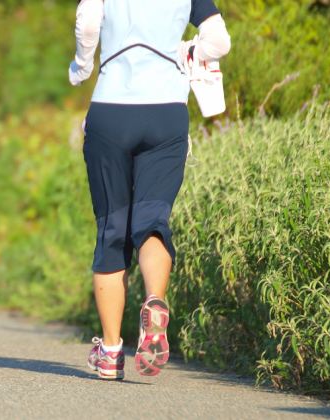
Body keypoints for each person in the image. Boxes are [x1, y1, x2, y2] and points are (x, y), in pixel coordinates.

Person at [69, 0, 231, 379]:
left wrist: (82, 65)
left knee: (112, 229)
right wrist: (185, 51)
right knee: (152, 219)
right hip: (167, 112)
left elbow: (89, 22)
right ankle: (155, 302)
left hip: (112, 108)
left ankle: (110, 352)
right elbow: (218, 41)